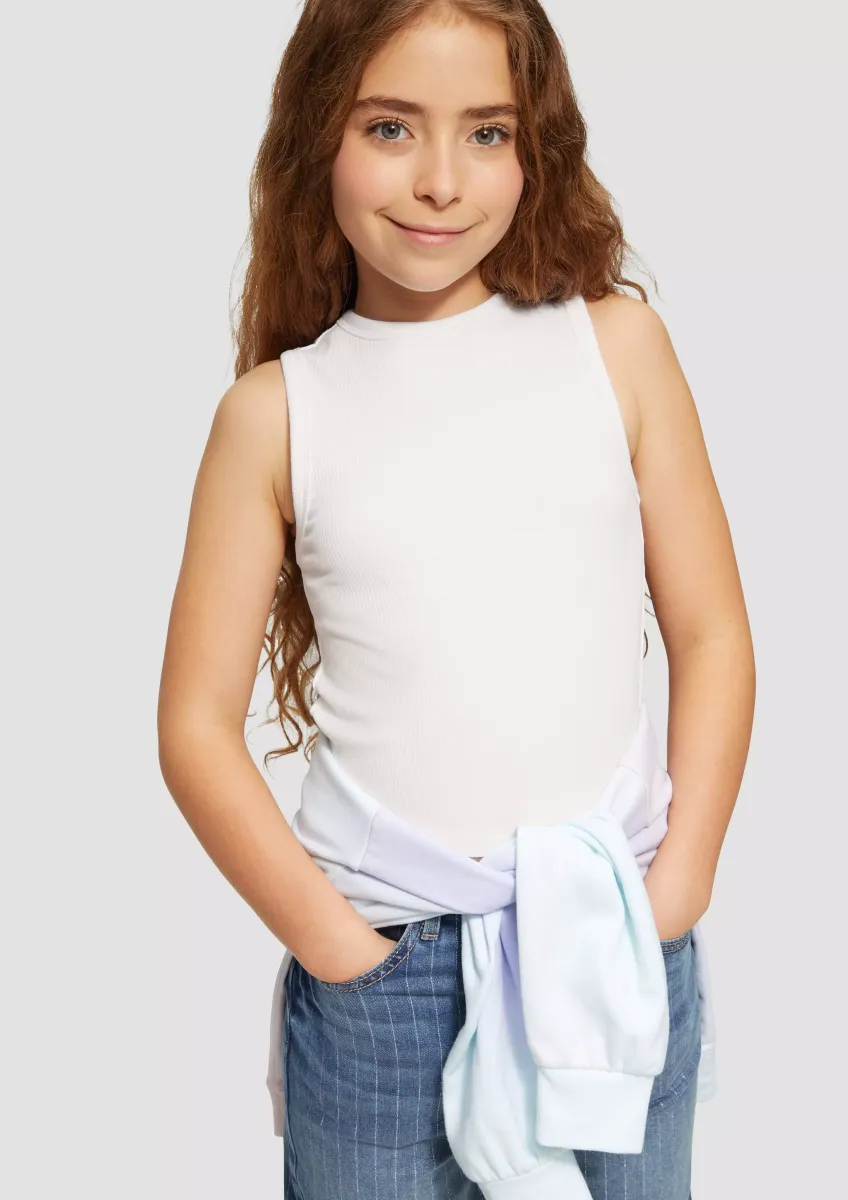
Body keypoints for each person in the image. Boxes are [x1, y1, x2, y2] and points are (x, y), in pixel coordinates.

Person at [157, 1, 755, 1198]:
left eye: (486, 132)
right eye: (390, 127)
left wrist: (674, 887)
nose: (439, 180)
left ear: (535, 148)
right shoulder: (276, 415)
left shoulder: (616, 350)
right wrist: (342, 952)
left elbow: (710, 632)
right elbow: (193, 727)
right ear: (318, 137)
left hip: (608, 938)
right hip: (387, 977)